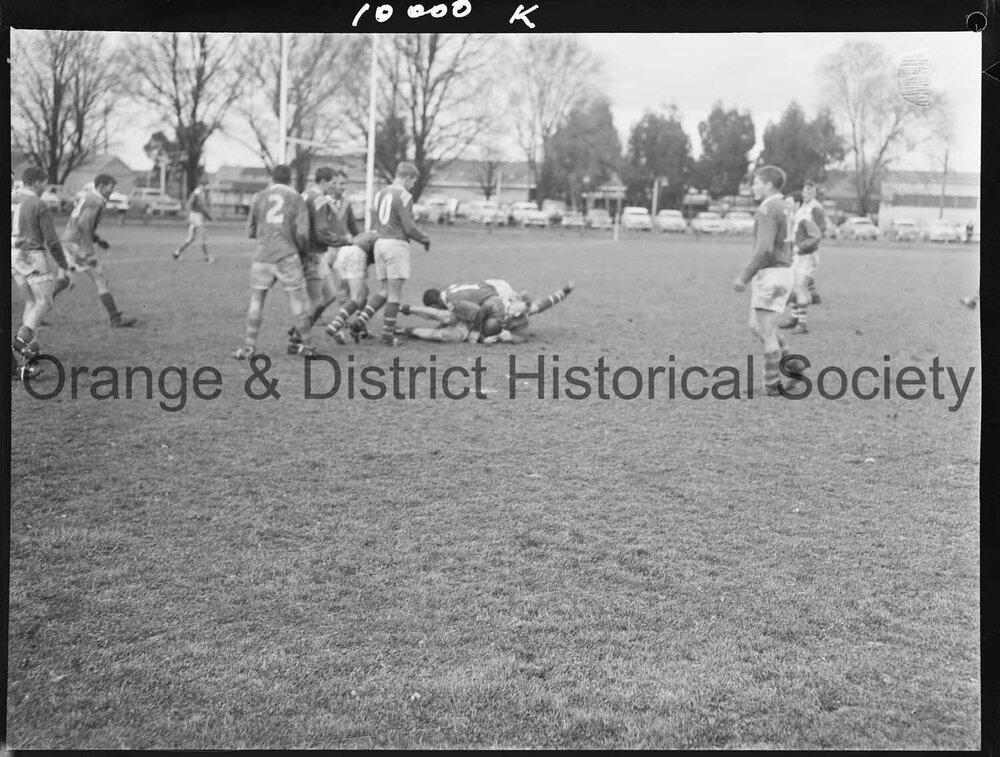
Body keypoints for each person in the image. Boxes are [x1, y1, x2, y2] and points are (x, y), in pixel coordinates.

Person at [731, 165, 805, 397]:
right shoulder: (785, 206)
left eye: (756, 182)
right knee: (757, 326)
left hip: (772, 273)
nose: (753, 186)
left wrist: (744, 275)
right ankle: (793, 366)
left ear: (768, 184)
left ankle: (772, 384)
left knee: (767, 331)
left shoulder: (767, 208)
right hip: (782, 272)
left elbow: (764, 249)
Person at [233, 164, 315, 360]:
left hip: (262, 256)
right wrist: (303, 252)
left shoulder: (259, 197)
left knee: (256, 300)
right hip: (286, 254)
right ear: (290, 178)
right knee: (297, 302)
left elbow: (251, 231)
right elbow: (302, 233)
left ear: (272, 178)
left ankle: (249, 347)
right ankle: (309, 346)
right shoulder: (296, 197)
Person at [350, 162, 430, 346]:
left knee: (384, 291)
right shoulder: (404, 196)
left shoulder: (380, 194)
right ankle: (387, 336)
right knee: (394, 295)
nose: (412, 186)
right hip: (396, 244)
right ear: (407, 177)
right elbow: (409, 227)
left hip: (379, 243)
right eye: (413, 181)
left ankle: (361, 321)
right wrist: (424, 239)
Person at [287, 167, 356, 353]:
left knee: (330, 295)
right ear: (323, 182)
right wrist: (344, 240)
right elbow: (321, 232)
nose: (335, 187)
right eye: (333, 183)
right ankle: (297, 341)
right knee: (314, 299)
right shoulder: (320, 200)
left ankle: (298, 331)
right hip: (313, 253)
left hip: (308, 252)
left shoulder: (304, 195)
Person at [11, 166, 70, 379]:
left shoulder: (11, 196)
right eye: (44, 182)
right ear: (37, 182)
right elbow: (52, 241)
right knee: (45, 301)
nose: (45, 187)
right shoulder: (38, 203)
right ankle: (22, 341)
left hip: (13, 256)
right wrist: (63, 264)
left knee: (31, 302)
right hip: (31, 255)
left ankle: (31, 350)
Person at [61, 174, 137, 328]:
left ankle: (37, 312)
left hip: (67, 241)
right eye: (111, 187)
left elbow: (81, 222)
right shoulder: (96, 201)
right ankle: (115, 318)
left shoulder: (91, 198)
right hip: (77, 245)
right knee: (100, 279)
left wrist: (97, 239)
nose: (113, 190)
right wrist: (89, 251)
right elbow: (83, 225)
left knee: (62, 280)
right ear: (101, 186)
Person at [778, 192, 822, 334]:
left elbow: (816, 235)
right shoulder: (794, 216)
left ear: (797, 203)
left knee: (799, 287)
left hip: (807, 257)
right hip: (798, 257)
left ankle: (802, 324)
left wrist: (801, 247)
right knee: (791, 287)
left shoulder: (804, 216)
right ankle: (795, 318)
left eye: (789, 203)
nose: (787, 206)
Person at [323, 230, 378, 344]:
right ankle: (335, 326)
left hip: (343, 251)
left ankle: (360, 329)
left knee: (363, 293)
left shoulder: (371, 233)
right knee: (357, 298)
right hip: (356, 253)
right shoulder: (385, 238)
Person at [173, 175, 214, 262]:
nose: (207, 188)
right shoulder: (197, 193)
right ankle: (206, 257)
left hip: (195, 217)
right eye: (206, 185)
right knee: (203, 237)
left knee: (190, 239)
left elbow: (202, 207)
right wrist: (209, 216)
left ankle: (177, 252)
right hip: (196, 218)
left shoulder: (200, 193)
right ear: (203, 185)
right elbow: (190, 205)